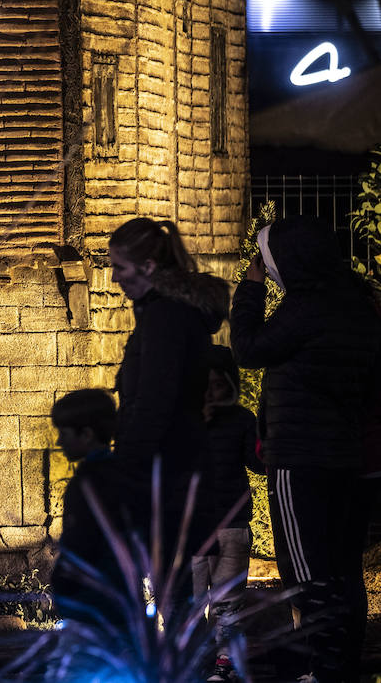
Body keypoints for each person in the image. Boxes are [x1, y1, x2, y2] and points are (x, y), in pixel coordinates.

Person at [231, 216, 381, 683]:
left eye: (269, 258)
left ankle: (328, 669)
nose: (267, 267)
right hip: (346, 459)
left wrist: (251, 289)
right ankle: (340, 666)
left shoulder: (308, 305)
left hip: (301, 460)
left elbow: (249, 348)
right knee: (343, 571)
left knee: (306, 573)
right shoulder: (356, 304)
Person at [108, 217, 230, 577]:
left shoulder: (165, 316)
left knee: (173, 593)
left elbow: (154, 401)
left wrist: (125, 469)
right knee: (172, 591)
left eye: (119, 267)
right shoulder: (165, 313)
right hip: (173, 469)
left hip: (167, 475)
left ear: (148, 267)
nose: (114, 278)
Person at [192, 345, 263, 683]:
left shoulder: (242, 419)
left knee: (228, 602)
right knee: (189, 600)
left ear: (230, 385)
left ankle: (225, 664)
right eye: (204, 385)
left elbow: (257, 462)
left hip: (231, 525)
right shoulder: (185, 421)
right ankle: (192, 659)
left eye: (218, 385)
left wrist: (269, 431)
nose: (210, 393)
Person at [50, 388, 138, 629]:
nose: (59, 441)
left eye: (64, 433)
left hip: (89, 600)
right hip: (122, 597)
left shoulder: (87, 483)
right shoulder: (123, 475)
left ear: (86, 434)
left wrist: (63, 586)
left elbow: (79, 543)